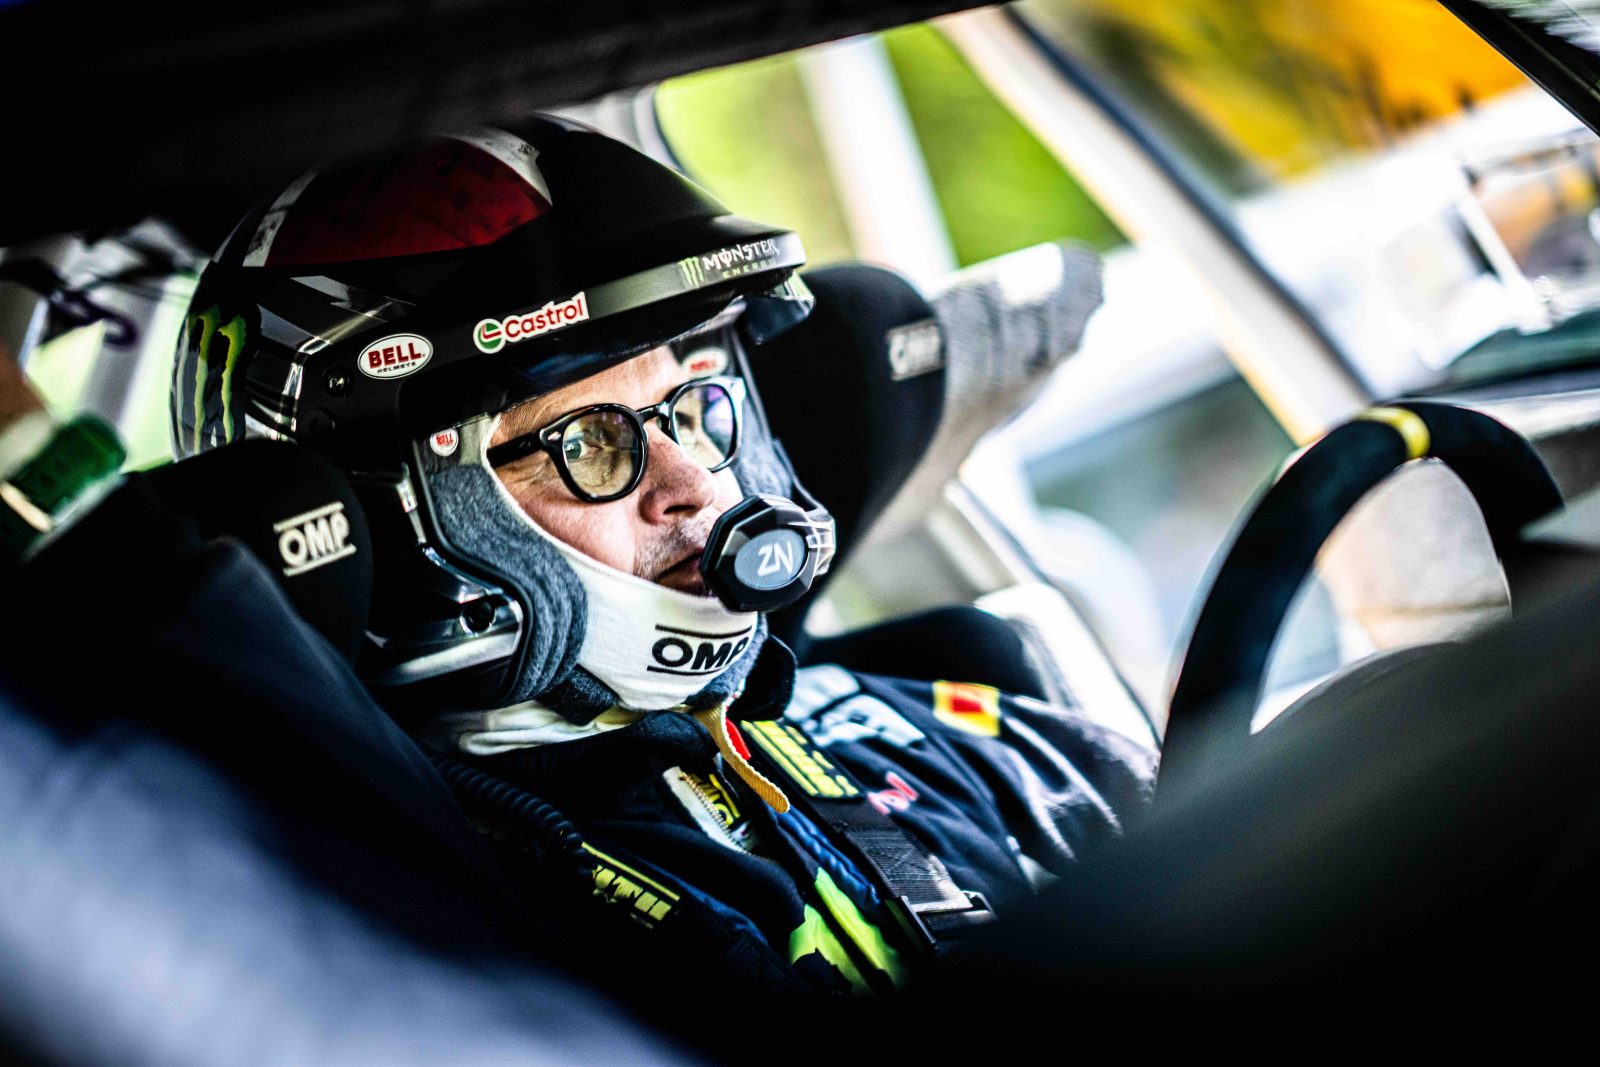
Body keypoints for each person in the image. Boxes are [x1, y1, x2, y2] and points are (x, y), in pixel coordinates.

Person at [165, 115, 1154, 994]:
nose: (694, 484)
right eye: (590, 442)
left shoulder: (900, 719)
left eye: (689, 408)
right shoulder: (448, 942)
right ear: (402, 520)